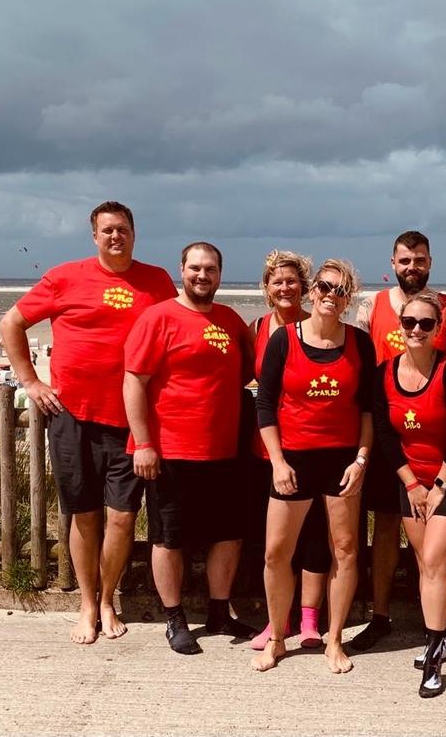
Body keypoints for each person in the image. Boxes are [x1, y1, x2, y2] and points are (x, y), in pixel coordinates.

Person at [0, 201, 176, 644]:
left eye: (123, 230)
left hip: (131, 423)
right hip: (73, 415)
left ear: (135, 234)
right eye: (108, 231)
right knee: (83, 514)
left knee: (121, 517)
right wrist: (30, 381)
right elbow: (12, 323)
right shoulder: (64, 277)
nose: (116, 237)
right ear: (94, 236)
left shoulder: (156, 281)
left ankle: (108, 599)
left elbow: (179, 330)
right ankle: (85, 603)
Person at [123, 242, 257, 655]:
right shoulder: (158, 317)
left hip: (225, 451)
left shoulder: (231, 320)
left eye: (211, 269)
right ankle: (175, 618)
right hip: (172, 451)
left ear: (220, 273)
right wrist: (143, 444)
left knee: (228, 536)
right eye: (195, 268)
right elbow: (134, 383)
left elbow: (250, 371)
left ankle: (219, 612)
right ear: (182, 269)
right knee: (169, 539)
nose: (203, 275)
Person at [251, 259, 375, 674]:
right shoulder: (283, 340)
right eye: (323, 286)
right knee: (275, 554)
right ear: (311, 291)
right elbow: (265, 404)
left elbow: (368, 409)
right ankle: (279, 640)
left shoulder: (360, 342)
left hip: (342, 461)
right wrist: (278, 462)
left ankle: (335, 639)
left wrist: (361, 459)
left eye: (339, 290)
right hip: (294, 459)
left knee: (345, 550)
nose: (329, 295)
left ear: (348, 298)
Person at [353, 230, 446, 651]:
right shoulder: (373, 306)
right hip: (389, 437)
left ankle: (437, 626)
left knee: (431, 540)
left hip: (434, 442)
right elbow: (364, 368)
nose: (411, 267)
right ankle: (380, 614)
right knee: (385, 527)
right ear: (393, 263)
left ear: (430, 262)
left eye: (419, 260)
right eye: (404, 260)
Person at [373, 292, 446, 697]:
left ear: (438, 329)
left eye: (425, 323)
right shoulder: (385, 372)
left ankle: (434, 653)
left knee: (435, 561)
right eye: (409, 323)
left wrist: (438, 487)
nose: (416, 330)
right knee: (425, 564)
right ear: (399, 327)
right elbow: (385, 435)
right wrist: (411, 484)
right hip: (412, 481)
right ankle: (445, 634)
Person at [247, 250, 330, 650]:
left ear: (306, 287)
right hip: (268, 450)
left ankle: (311, 620)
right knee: (275, 544)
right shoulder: (257, 328)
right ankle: (276, 619)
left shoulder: (320, 326)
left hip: (313, 446)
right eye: (277, 281)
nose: (285, 288)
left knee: (315, 535)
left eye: (292, 281)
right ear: (266, 288)